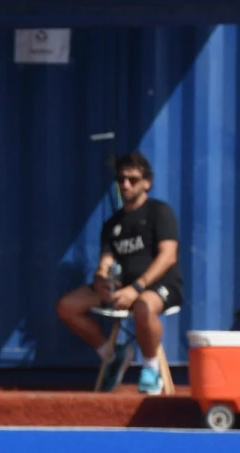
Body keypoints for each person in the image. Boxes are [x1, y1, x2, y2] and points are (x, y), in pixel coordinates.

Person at [56, 151, 184, 394]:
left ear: (147, 183)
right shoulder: (112, 224)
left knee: (142, 307)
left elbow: (168, 256)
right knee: (67, 306)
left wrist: (136, 288)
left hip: (159, 286)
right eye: (121, 179)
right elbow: (105, 262)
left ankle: (150, 369)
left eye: (133, 180)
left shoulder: (159, 212)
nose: (125, 184)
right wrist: (102, 281)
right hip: (122, 288)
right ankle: (112, 355)